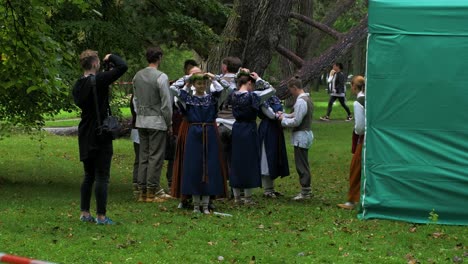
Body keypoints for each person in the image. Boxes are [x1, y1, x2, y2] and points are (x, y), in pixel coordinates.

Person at [72, 50, 128, 224]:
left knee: (89, 175)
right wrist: (110, 57)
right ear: (95, 64)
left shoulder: (77, 86)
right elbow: (123, 66)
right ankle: (101, 216)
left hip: (85, 131)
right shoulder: (100, 80)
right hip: (100, 131)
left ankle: (84, 213)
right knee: (102, 175)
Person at [169, 72, 230, 214]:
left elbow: (227, 89)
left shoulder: (212, 99)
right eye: (198, 83)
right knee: (193, 166)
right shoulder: (188, 99)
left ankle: (206, 203)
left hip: (209, 133)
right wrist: (187, 79)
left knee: (210, 166)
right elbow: (173, 88)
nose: (201, 86)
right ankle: (196, 204)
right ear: (194, 85)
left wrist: (214, 78)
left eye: (203, 83)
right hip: (193, 134)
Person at [133, 46, 173, 202]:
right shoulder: (161, 77)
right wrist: (168, 123)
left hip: (141, 120)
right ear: (159, 58)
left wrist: (139, 115)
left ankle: (141, 190)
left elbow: (136, 99)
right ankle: (152, 190)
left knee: (143, 155)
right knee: (156, 156)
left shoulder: (137, 76)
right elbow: (166, 103)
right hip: (156, 121)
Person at [230, 69, 276, 205]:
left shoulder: (233, 95)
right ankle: (248, 198)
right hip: (249, 129)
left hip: (237, 128)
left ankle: (237, 197)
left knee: (236, 161)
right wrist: (259, 79)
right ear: (249, 83)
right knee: (249, 162)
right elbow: (272, 90)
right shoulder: (253, 96)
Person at [278, 76, 314, 201]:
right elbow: (296, 114)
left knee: (301, 164)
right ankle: (306, 190)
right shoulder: (306, 98)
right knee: (303, 162)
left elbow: (297, 121)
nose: (290, 93)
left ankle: (305, 191)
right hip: (305, 134)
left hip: (301, 136)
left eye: (291, 90)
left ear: (294, 88)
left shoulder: (300, 101)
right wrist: (285, 115)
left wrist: (283, 121)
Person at [338, 75, 365, 210]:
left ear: (354, 86)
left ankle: (352, 200)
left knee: (355, 168)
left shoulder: (358, 102)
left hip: (364, 139)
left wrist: (355, 131)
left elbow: (360, 127)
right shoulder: (369, 98)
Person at [215, 57, 242, 179]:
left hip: (220, 122)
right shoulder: (242, 82)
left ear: (225, 67)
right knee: (236, 157)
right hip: (237, 122)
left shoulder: (217, 82)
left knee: (220, 156)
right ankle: (236, 187)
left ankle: (221, 187)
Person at [258, 94, 290, 198]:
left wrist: (281, 113)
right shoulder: (261, 99)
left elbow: (281, 110)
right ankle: (267, 189)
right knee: (267, 157)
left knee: (274, 156)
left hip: (275, 129)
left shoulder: (274, 98)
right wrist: (278, 114)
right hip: (267, 129)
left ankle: (271, 188)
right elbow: (270, 114)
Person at [129, 94, 140, 200]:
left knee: (139, 157)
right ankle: (137, 181)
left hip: (137, 128)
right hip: (138, 128)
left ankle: (137, 181)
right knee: (140, 157)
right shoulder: (136, 96)